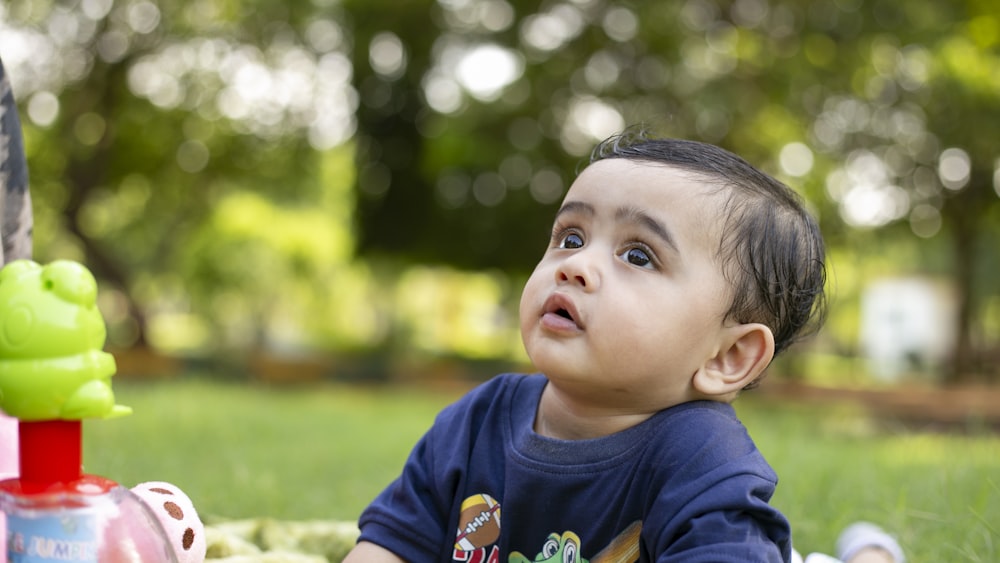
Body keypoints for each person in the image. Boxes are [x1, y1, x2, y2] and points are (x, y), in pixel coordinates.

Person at [344, 130, 828, 562]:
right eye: (570, 237)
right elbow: (390, 545)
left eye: (638, 255)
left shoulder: (702, 461)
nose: (575, 265)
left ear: (727, 357)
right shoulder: (476, 423)